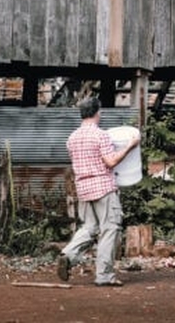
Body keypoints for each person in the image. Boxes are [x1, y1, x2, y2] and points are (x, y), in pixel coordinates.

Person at [57, 97, 140, 286]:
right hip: (103, 187)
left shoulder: (72, 138)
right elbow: (110, 162)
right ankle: (104, 275)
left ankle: (68, 255)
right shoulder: (101, 135)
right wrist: (129, 146)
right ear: (97, 112)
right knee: (110, 229)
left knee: (89, 227)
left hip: (83, 188)